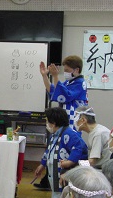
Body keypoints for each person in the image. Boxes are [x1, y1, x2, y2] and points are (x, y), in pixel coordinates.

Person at [34, 55, 88, 191]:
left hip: (72, 123)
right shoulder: (70, 83)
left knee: (69, 152)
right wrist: (45, 77)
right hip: (63, 123)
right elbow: (53, 91)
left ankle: (69, 183)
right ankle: (52, 180)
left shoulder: (80, 83)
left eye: (68, 70)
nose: (66, 73)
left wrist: (56, 77)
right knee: (56, 149)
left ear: (77, 70)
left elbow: (65, 95)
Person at [33, 107, 87, 198]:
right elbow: (49, 150)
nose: (46, 124)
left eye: (47, 121)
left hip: (62, 171)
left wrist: (70, 162)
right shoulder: (55, 134)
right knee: (56, 191)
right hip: (53, 171)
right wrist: (42, 164)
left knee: (63, 192)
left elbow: (78, 148)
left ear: (53, 123)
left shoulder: (69, 134)